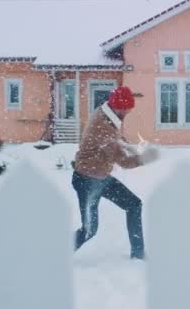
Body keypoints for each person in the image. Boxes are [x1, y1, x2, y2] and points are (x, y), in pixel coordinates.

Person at [71, 86, 159, 259]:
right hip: (87, 182)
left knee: (134, 205)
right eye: (126, 110)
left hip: (100, 177)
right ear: (118, 107)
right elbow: (124, 161)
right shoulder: (104, 127)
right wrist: (144, 158)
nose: (128, 113)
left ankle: (138, 254)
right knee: (89, 230)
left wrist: (130, 147)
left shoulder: (105, 114)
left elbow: (117, 140)